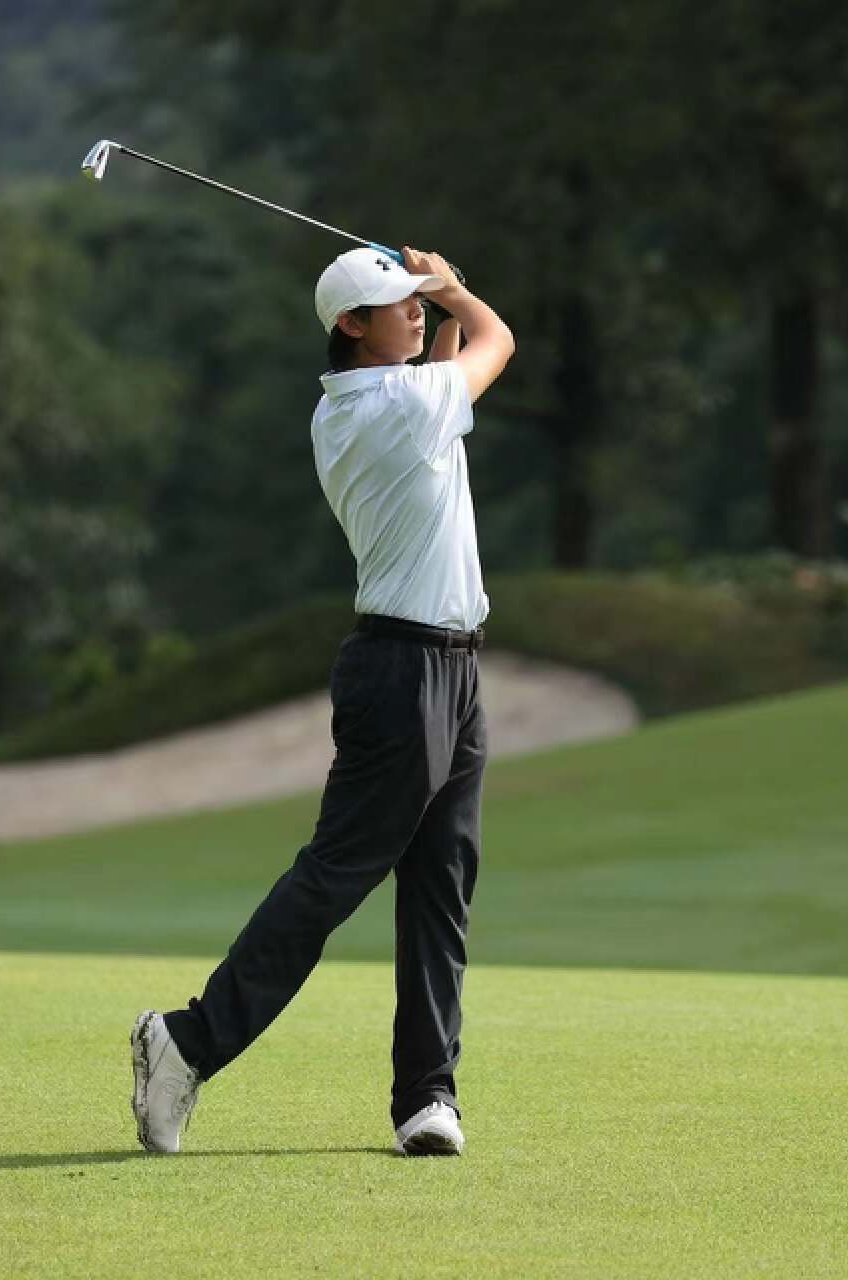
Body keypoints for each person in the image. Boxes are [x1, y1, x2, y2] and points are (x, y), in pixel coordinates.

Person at [130, 244, 515, 1158]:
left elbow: (446, 360)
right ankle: (187, 1042)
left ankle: (427, 1097)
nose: (418, 312)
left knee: (440, 886)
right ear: (351, 325)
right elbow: (496, 340)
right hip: (403, 672)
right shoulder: (397, 406)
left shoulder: (374, 403)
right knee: (338, 873)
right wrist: (457, 284)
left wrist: (432, 296)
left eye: (419, 302)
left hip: (453, 670)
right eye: (400, 303)